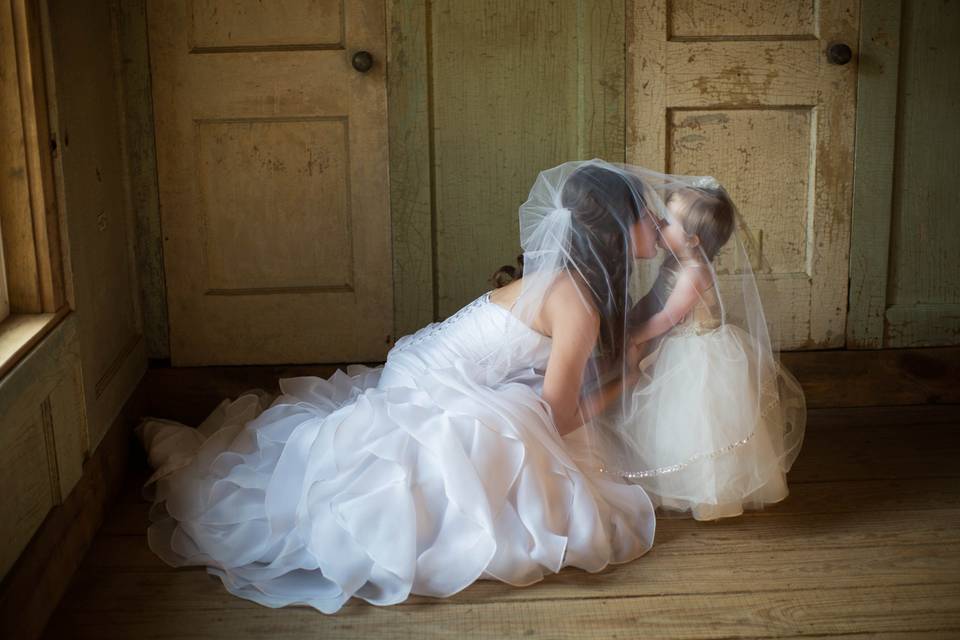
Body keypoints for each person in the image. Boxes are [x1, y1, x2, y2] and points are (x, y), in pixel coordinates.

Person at [134, 159, 664, 614]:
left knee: (519, 435)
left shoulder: (573, 279)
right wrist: (624, 384)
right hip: (428, 385)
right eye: (647, 214)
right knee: (497, 452)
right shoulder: (575, 300)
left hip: (435, 361)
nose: (658, 223)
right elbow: (557, 417)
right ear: (617, 228)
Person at [604, 178, 807, 522]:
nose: (658, 225)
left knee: (704, 422)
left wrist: (637, 336)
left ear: (692, 240)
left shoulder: (695, 273)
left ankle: (714, 494)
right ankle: (677, 482)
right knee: (676, 422)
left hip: (700, 351)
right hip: (684, 346)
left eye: (667, 222)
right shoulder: (675, 264)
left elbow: (668, 317)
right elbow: (655, 301)